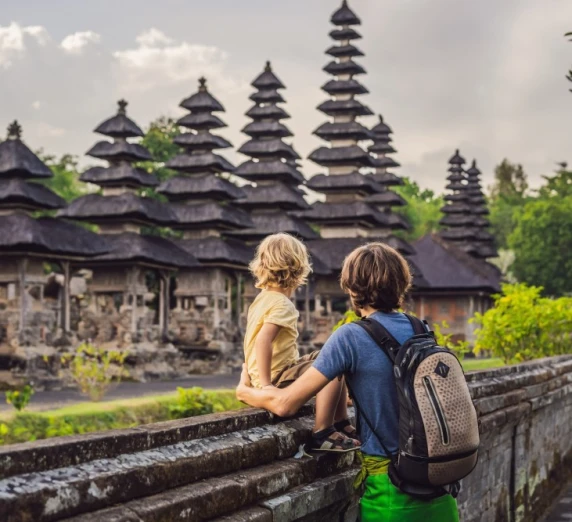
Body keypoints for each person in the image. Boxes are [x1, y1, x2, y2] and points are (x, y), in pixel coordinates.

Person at [237, 242, 459, 522]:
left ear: (352, 290)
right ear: (402, 284)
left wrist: (245, 391)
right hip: (442, 492)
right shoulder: (421, 329)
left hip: (392, 495)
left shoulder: (349, 337)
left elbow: (284, 405)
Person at [244, 233, 359, 452]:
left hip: (268, 372)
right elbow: (262, 340)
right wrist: (267, 385)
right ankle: (323, 430)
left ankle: (341, 418)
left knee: (328, 354)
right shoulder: (282, 305)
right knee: (332, 365)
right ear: (299, 269)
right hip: (277, 375)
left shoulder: (261, 300)